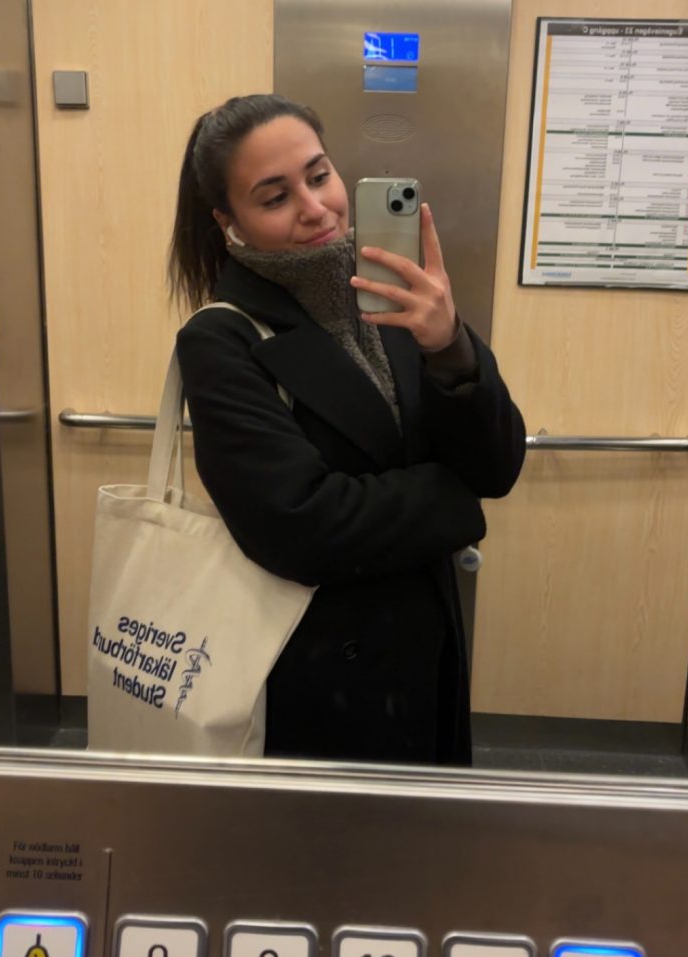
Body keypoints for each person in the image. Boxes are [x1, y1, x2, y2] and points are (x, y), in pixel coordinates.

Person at [168, 93, 525, 766]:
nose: (315, 207)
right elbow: (300, 527)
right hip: (315, 674)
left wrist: (450, 344)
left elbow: (497, 466)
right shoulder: (222, 340)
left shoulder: (397, 300)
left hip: (427, 649)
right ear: (228, 220)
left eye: (319, 175)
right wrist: (453, 499)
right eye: (276, 197)